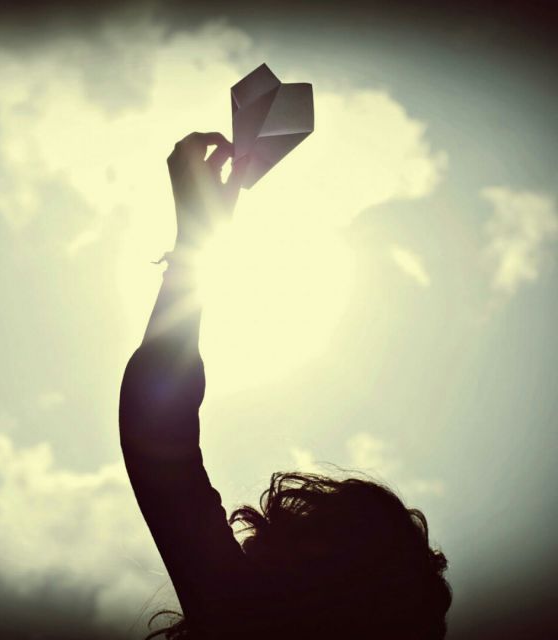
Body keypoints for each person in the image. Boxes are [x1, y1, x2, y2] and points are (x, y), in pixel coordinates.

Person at [119, 132, 452, 639]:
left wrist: (196, 241)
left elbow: (156, 428)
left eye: (287, 542)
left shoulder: (247, 619)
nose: (250, 542)